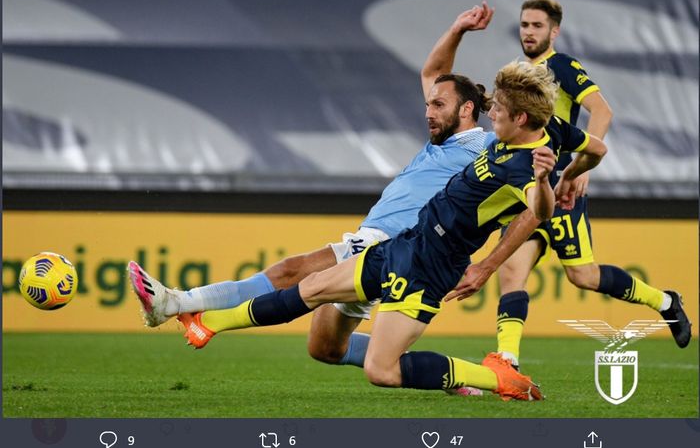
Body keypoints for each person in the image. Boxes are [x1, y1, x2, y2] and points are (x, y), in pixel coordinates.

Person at [130, 60, 608, 401]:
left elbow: (538, 213)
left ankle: (497, 379)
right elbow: (598, 148)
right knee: (316, 309)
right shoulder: (553, 133)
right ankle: (207, 322)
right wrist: (576, 172)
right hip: (409, 241)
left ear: (518, 119)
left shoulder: (522, 161)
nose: (491, 110)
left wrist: (549, 181)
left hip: (431, 265)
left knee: (378, 366)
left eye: (498, 107)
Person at [130, 4, 497, 376]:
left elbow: (530, 154)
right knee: (325, 347)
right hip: (380, 245)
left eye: (438, 104)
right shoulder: (441, 139)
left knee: (292, 271)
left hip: (393, 242)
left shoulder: (487, 148)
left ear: (466, 109)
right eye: (428, 104)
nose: (428, 112)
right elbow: (433, 73)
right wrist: (457, 29)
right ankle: (453, 375)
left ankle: (176, 302)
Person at [430, 0, 691, 370]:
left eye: (537, 25)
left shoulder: (562, 67)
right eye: (524, 25)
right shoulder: (520, 77)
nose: (529, 32)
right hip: (523, 190)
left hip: (561, 190)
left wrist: (579, 171)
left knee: (582, 276)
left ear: (554, 31)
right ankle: (508, 361)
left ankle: (665, 302)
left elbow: (602, 111)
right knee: (512, 270)